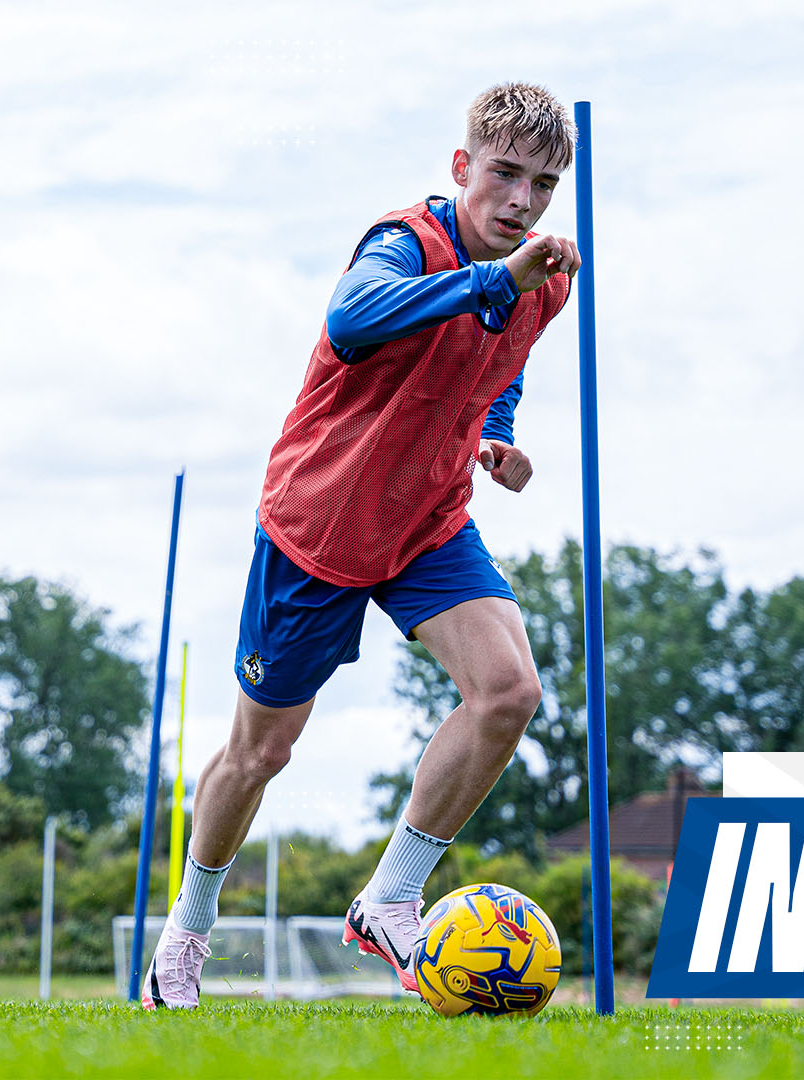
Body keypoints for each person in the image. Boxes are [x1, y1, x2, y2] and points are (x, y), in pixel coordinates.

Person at [139, 81, 580, 1009]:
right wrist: (496, 278)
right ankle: (186, 933)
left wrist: (496, 433)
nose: (521, 201)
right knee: (260, 756)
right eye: (504, 174)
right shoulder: (405, 243)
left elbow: (500, 367)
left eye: (542, 184)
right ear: (462, 168)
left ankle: (390, 896)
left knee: (509, 694)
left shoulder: (547, 280)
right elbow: (352, 318)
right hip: (322, 522)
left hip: (428, 518)